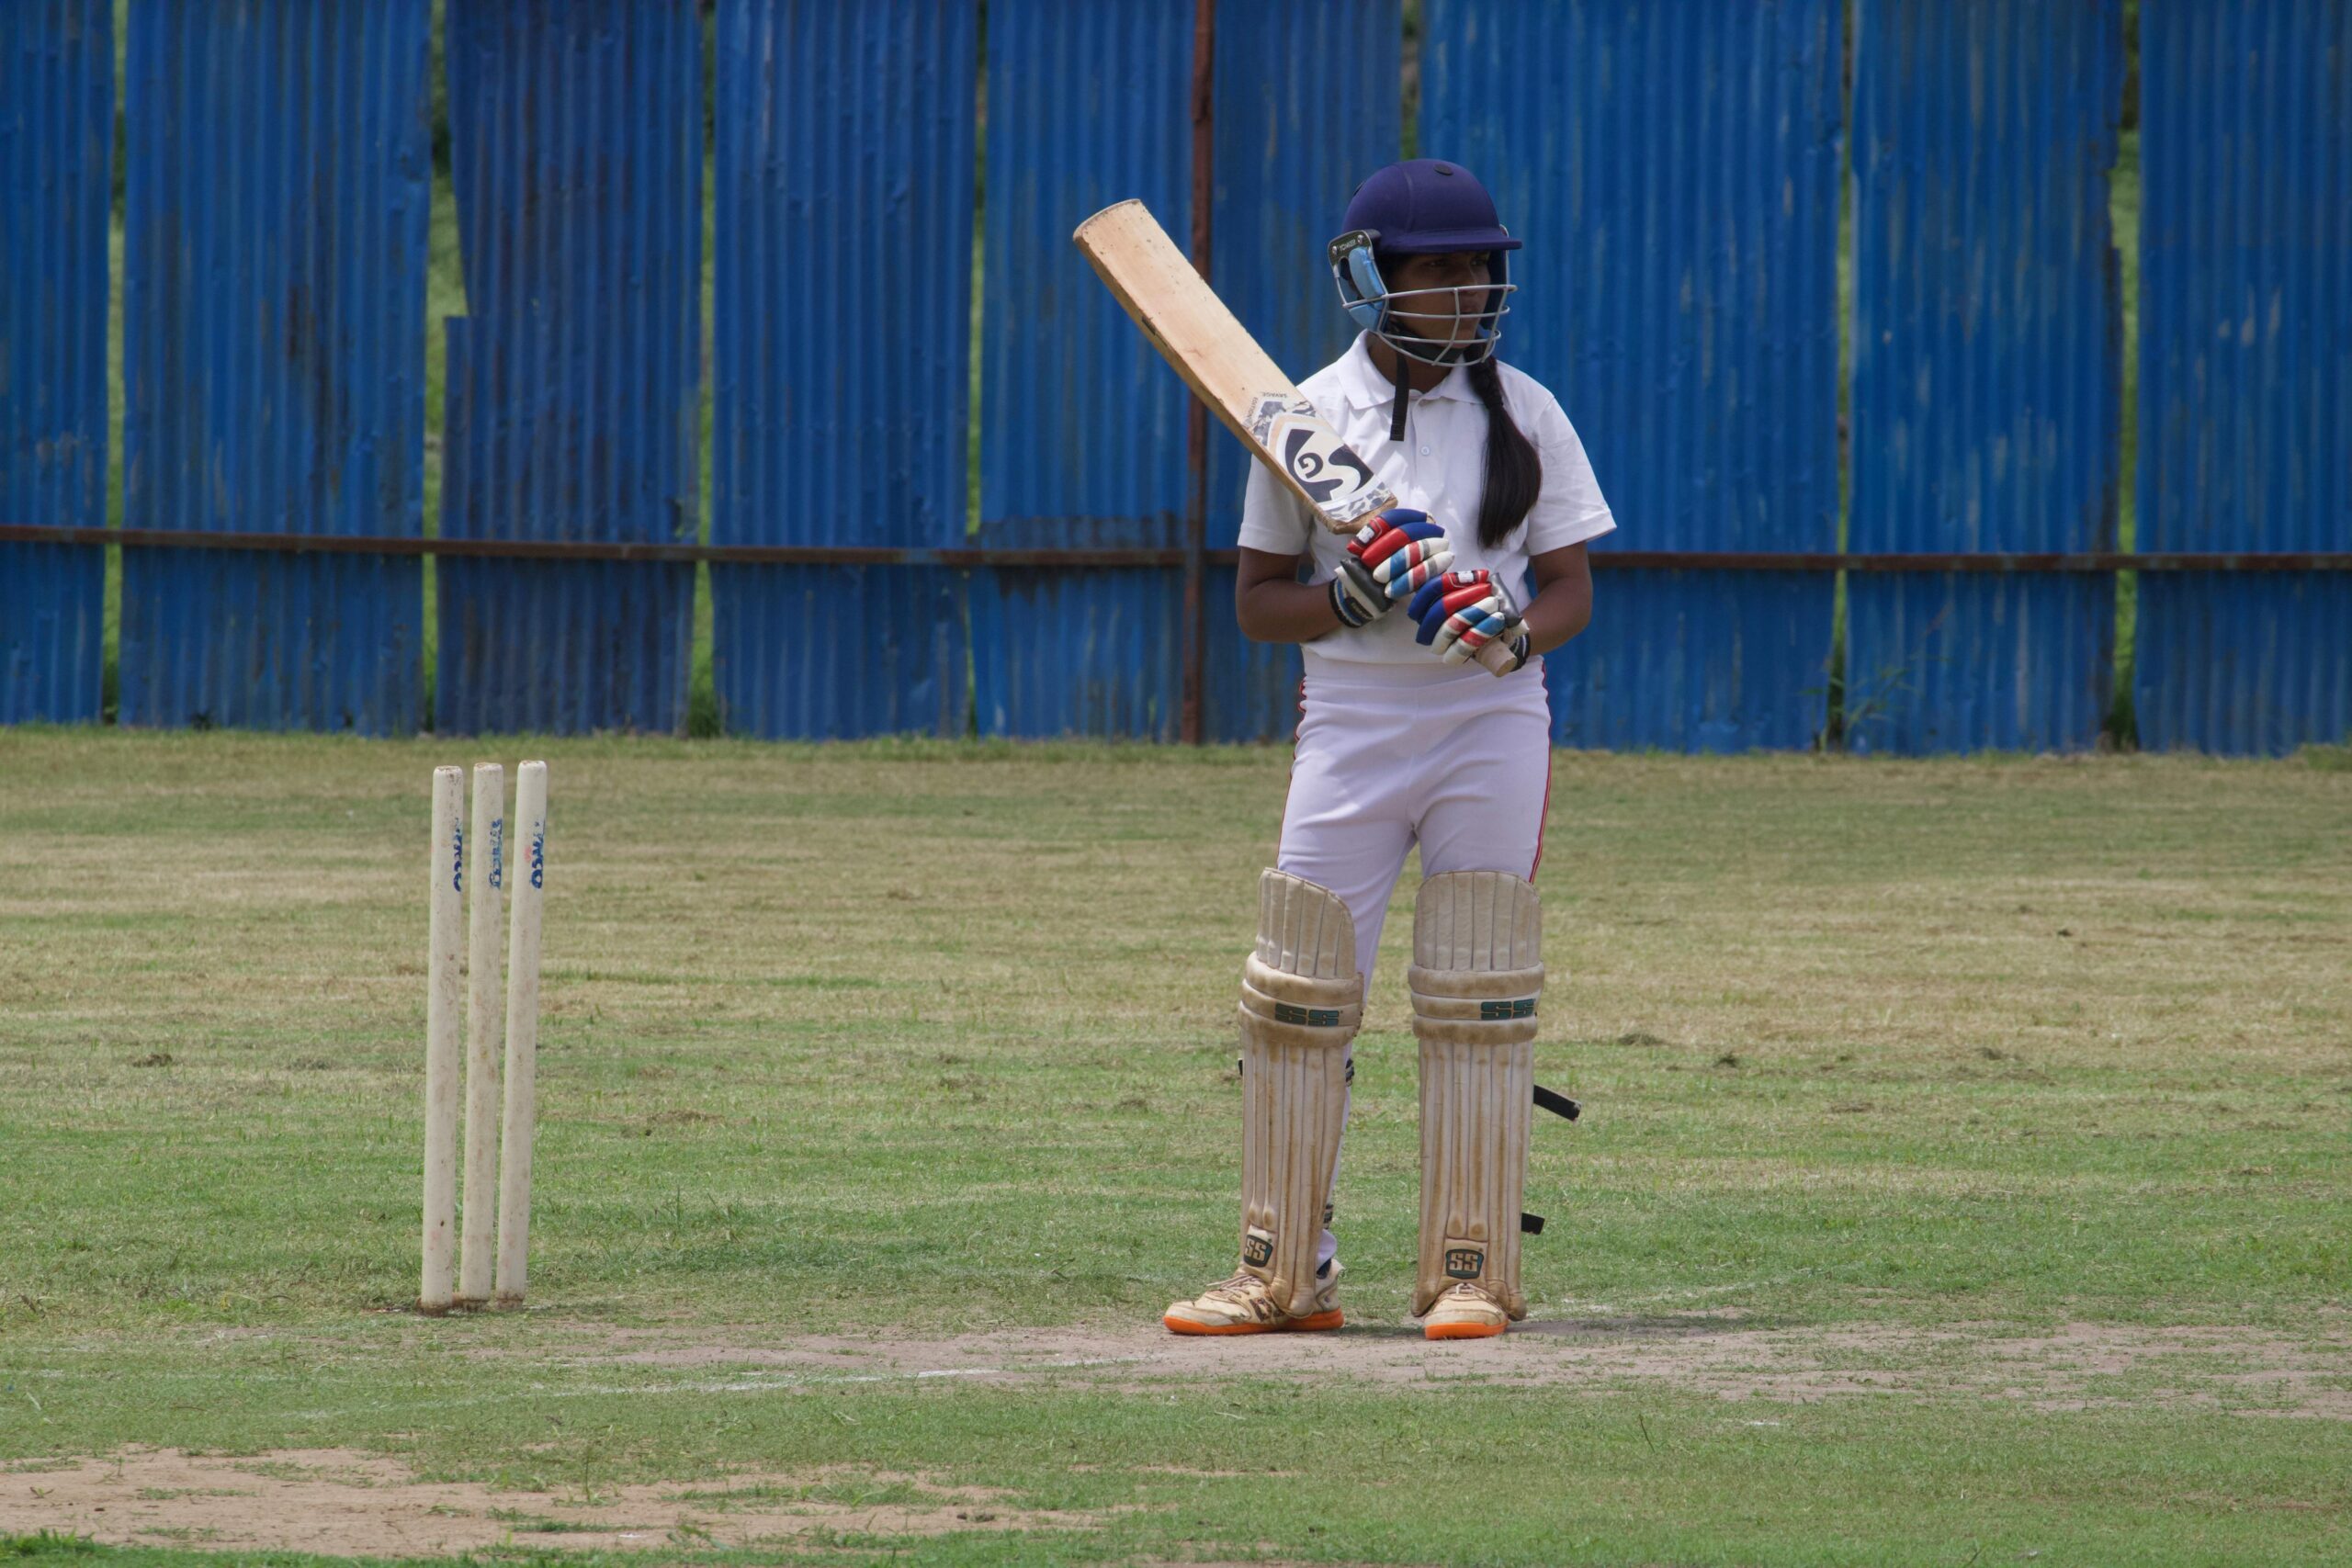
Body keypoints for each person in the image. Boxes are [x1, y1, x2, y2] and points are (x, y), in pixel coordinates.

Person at [1162, 159, 1614, 1341]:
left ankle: (1469, 1270)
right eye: (1440, 268)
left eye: (1481, 267)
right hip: (1352, 725)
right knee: (1297, 988)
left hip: (1488, 724)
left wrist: (1514, 632)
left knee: (1477, 987)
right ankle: (1280, 1271)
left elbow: (1567, 589)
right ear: (1372, 278)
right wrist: (1346, 602)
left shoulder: (1528, 410)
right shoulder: (1303, 417)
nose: (1467, 288)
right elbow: (1261, 603)